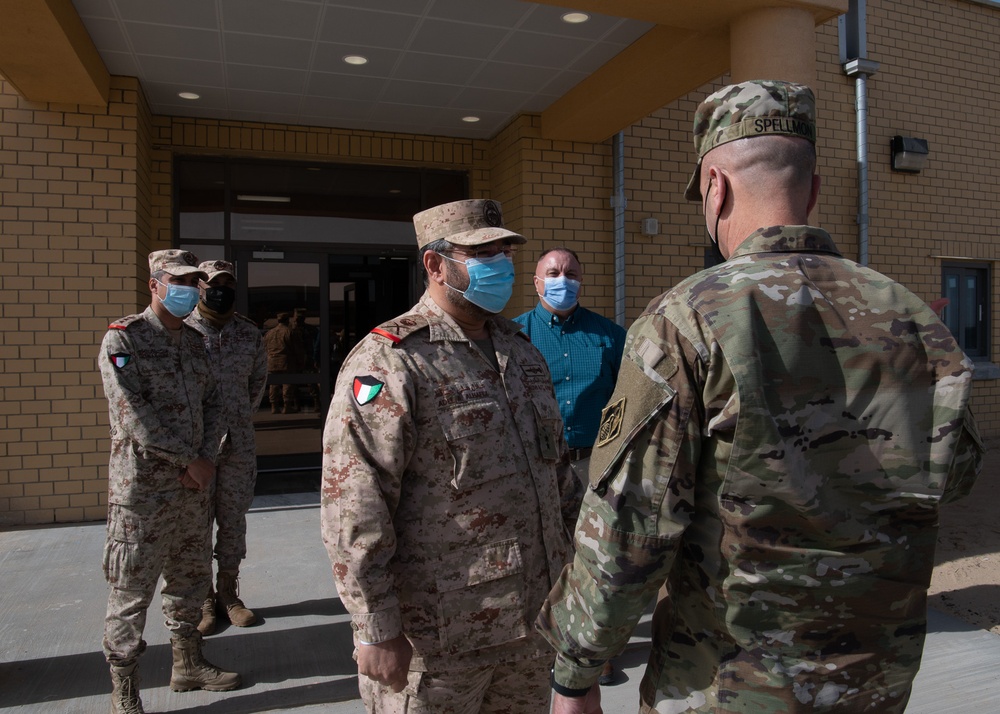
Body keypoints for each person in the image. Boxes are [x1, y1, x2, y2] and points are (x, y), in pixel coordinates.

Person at [536, 80, 985, 714]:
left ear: (715, 187)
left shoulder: (685, 321)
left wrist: (574, 673)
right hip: (874, 680)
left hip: (727, 685)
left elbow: (630, 526)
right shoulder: (912, 318)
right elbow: (957, 475)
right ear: (815, 189)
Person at [321, 198, 583, 714]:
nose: (501, 265)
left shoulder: (521, 350)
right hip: (438, 639)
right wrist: (375, 627)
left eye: (506, 252)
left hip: (531, 627)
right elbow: (354, 502)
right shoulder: (392, 359)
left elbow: (557, 479)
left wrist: (578, 583)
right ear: (435, 264)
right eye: (483, 254)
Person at [98, 249, 241, 714]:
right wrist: (187, 459)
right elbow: (131, 416)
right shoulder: (125, 339)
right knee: (131, 592)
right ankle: (125, 691)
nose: (187, 289)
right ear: (154, 284)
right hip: (142, 493)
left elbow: (217, 403)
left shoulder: (196, 343)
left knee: (189, 581)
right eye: (176, 281)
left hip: (191, 491)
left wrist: (205, 456)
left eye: (192, 282)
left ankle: (188, 664)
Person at [513, 247, 626, 685]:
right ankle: (543, 643)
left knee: (594, 561)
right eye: (553, 272)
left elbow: (627, 401)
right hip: (535, 466)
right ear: (537, 282)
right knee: (538, 557)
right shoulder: (513, 335)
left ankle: (592, 651)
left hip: (592, 465)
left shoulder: (610, 336)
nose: (564, 280)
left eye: (572, 273)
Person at [186, 260, 268, 635]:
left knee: (233, 522)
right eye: (213, 284)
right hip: (197, 447)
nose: (221, 290)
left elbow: (257, 384)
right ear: (200, 288)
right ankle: (204, 599)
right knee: (198, 524)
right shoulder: (183, 332)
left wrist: (236, 420)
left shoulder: (249, 333)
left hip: (238, 444)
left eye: (227, 284)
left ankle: (228, 594)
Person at [263, 311, 302, 414]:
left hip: (271, 361)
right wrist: (300, 360)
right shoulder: (289, 332)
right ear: (287, 320)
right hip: (286, 360)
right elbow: (297, 348)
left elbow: (264, 348)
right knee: (287, 383)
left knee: (274, 384)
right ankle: (287, 406)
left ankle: (274, 406)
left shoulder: (269, 333)